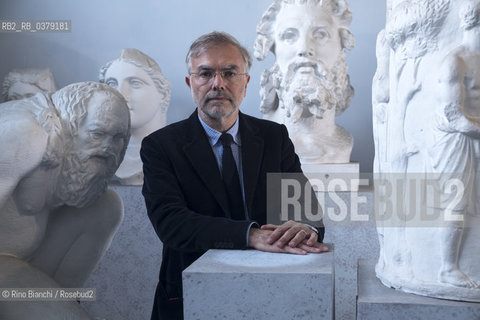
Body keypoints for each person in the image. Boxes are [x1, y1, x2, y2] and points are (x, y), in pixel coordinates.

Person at [141, 31, 328, 320]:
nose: (218, 84)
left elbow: (305, 210)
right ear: (191, 83)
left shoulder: (274, 137)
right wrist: (249, 235)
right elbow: (171, 224)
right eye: (206, 74)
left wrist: (305, 228)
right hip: (190, 297)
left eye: (230, 73)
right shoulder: (160, 146)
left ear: (246, 83)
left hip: (272, 294)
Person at [0, 81, 130, 320]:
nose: (107, 147)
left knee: (107, 206)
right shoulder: (24, 134)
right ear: (71, 125)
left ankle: (62, 301)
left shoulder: (69, 154)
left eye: (117, 137)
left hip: (25, 258)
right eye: (97, 133)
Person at [254, 0, 355, 163]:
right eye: (289, 36)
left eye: (321, 34)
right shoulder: (260, 141)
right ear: (272, 48)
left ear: (342, 47)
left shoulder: (342, 145)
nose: (304, 49)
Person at [428, 0, 480, 289]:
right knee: (455, 202)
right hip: (454, 138)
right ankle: (448, 268)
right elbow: (454, 117)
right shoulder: (455, 61)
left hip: (475, 131)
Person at [100, 48, 171, 185]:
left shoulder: (175, 154)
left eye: (135, 83)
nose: (120, 95)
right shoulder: (103, 154)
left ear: (163, 94)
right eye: (112, 84)